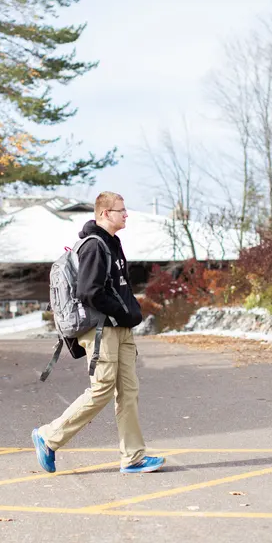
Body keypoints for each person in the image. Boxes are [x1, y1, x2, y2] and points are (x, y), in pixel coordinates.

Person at [32, 192, 165, 474]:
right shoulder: (95, 246)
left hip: (121, 329)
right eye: (121, 210)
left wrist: (129, 315)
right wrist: (124, 312)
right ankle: (49, 436)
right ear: (105, 213)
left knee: (128, 391)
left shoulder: (113, 243)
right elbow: (89, 292)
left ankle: (133, 457)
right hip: (102, 330)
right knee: (101, 390)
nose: (126, 214)